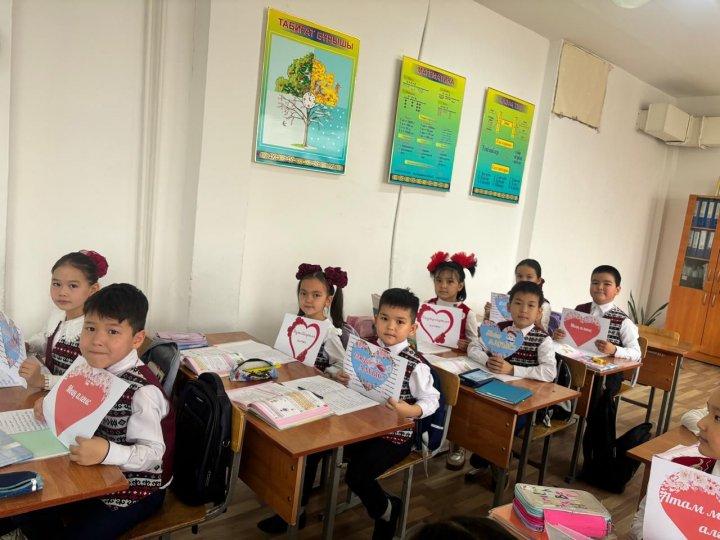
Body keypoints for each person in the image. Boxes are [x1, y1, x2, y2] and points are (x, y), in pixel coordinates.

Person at [4, 284, 174, 539]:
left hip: (135, 490)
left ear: (137, 339)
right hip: (90, 470)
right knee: (26, 503)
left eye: (112, 331)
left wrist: (107, 452)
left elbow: (153, 455)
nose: (97, 340)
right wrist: (49, 404)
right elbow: (76, 402)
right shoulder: (89, 364)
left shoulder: (143, 392)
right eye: (90, 328)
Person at [350, 287, 439, 539]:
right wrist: (344, 377)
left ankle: (388, 510)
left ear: (412, 328)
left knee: (356, 476)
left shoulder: (416, 365)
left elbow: (432, 400)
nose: (390, 326)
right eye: (385, 318)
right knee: (326, 449)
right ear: (376, 319)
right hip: (363, 425)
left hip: (395, 436)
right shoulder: (364, 348)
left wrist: (409, 409)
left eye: (400, 322)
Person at [552, 265, 640, 483]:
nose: (599, 287)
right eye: (595, 282)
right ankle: (557, 413)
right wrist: (558, 336)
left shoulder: (623, 321)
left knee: (597, 407)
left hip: (605, 377)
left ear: (617, 289)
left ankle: (593, 461)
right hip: (576, 370)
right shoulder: (579, 310)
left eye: (606, 284)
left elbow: (637, 353)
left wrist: (614, 349)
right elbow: (567, 343)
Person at [629, 386, 720, 539]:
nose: (700, 423)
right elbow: (641, 522)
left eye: (718, 418)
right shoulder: (681, 470)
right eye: (707, 411)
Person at [20, 250, 109, 390]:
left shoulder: (94, 329)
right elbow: (46, 340)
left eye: (73, 286)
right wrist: (26, 346)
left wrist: (42, 380)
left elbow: (89, 380)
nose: (62, 292)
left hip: (76, 397)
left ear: (93, 290)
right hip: (48, 394)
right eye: (56, 284)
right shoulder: (58, 315)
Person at [425, 251, 478, 351]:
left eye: (450, 281)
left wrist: (468, 346)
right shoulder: (426, 305)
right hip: (426, 354)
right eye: (439, 280)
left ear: (460, 286)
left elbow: (475, 345)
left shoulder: (468, 314)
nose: (443, 286)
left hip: (453, 358)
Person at [483, 259, 552, 332]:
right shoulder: (507, 298)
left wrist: (538, 323)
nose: (523, 280)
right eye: (519, 276)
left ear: (538, 280)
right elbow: (494, 329)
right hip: (506, 336)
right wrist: (489, 315)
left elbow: (544, 334)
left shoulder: (544, 305)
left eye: (529, 277)